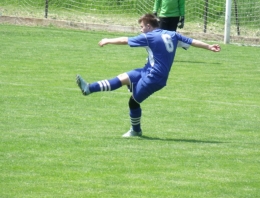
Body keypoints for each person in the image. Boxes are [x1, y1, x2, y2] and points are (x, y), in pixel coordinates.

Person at [76, 14, 221, 138]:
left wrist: (108, 40)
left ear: (149, 26)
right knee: (122, 78)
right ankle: (89, 88)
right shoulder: (172, 35)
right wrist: (209, 46)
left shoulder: (149, 37)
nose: (141, 30)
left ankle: (136, 131)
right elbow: (192, 41)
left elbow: (125, 40)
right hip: (147, 70)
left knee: (133, 102)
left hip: (154, 78)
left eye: (141, 27)